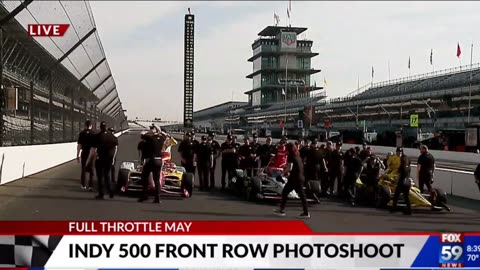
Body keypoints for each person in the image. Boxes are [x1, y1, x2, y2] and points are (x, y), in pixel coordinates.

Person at [273, 143, 310, 219]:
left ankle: (281, 210)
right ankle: (306, 212)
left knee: (285, 192)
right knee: (302, 195)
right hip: (300, 177)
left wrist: (282, 174)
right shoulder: (298, 156)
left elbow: (290, 167)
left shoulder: (291, 156)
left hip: (294, 178)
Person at [87, 122, 118, 200]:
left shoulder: (97, 136)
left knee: (100, 177)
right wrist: (113, 158)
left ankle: (101, 194)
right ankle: (110, 192)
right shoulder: (113, 137)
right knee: (107, 175)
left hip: (100, 158)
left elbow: (93, 150)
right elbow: (115, 148)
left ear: (100, 127)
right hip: (109, 158)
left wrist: (88, 161)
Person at [138, 128, 166, 203]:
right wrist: (158, 130)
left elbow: (142, 134)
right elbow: (164, 134)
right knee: (156, 179)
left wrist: (149, 131)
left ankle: (145, 195)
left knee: (144, 177)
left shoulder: (150, 138)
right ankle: (158, 197)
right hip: (159, 160)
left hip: (151, 160)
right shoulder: (162, 138)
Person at [391, 148, 412, 215]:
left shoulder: (402, 162)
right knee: (406, 197)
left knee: (396, 196)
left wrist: (396, 181)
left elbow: (399, 173)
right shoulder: (407, 162)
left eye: (399, 152)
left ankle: (394, 209)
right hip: (407, 181)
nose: (398, 153)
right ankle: (409, 210)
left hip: (402, 182)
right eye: (397, 152)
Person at [77, 120, 94, 191]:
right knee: (91, 169)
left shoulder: (82, 133)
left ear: (85, 125)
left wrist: (77, 155)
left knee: (83, 169)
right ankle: (90, 186)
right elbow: (94, 146)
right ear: (91, 125)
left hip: (84, 152)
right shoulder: (94, 134)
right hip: (91, 152)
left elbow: (79, 145)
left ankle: (83, 185)